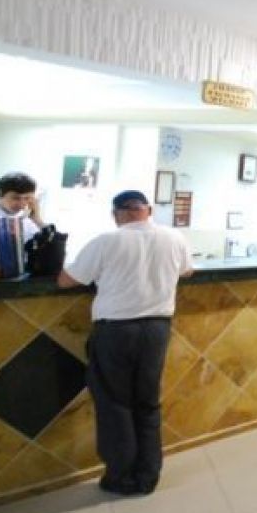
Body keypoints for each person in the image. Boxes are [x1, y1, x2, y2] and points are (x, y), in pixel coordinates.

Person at [57, 190, 193, 495]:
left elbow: (66, 280)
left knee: (115, 404)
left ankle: (120, 476)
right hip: (157, 330)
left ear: (116, 214)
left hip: (116, 331)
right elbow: (188, 271)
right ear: (148, 211)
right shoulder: (175, 238)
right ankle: (148, 476)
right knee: (147, 402)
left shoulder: (106, 241)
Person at [0, 171, 46, 240]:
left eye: (27, 198)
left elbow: (54, 245)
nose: (22, 204)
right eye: (15, 198)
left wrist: (37, 220)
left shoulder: (30, 222)